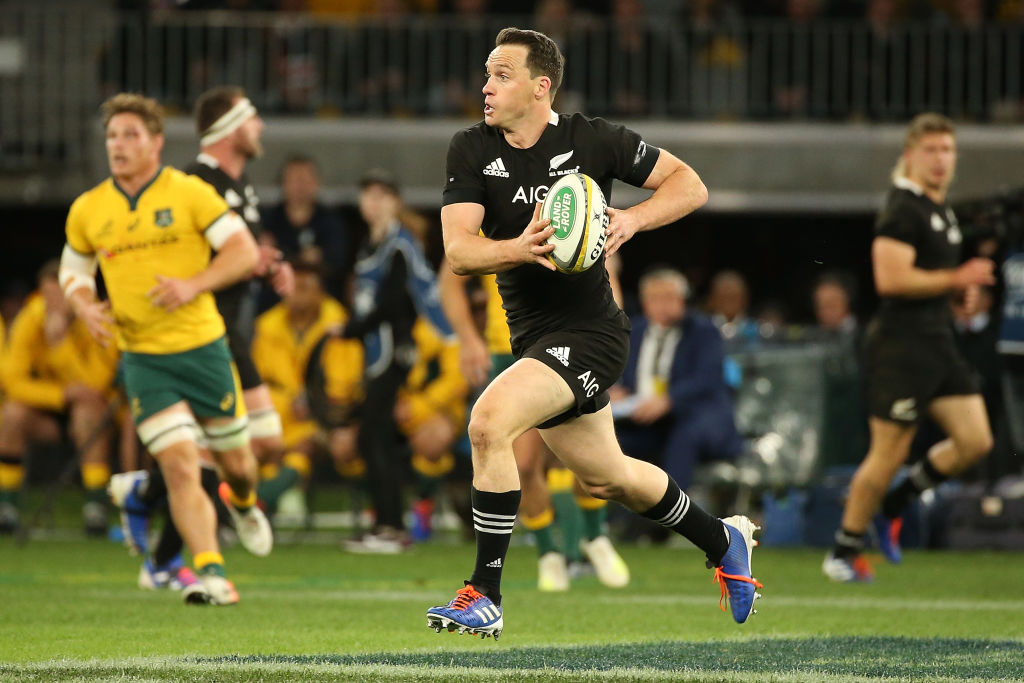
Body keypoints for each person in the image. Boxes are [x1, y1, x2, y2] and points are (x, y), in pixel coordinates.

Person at [426, 27, 762, 640]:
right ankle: (724, 539)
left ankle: (485, 594)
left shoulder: (594, 139)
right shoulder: (470, 148)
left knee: (487, 423)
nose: (487, 86)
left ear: (540, 86)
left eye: (502, 75)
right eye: (487, 74)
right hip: (534, 338)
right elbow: (458, 253)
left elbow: (691, 185)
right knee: (609, 477)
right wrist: (519, 248)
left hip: (592, 332)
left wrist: (631, 218)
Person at [60, 92, 272, 605]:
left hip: (203, 350)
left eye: (131, 135)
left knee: (239, 464)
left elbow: (243, 252)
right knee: (179, 464)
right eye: (112, 136)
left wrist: (193, 285)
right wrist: (84, 305)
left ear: (157, 142)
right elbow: (74, 271)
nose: (119, 145)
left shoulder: (189, 193)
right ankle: (211, 574)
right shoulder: (89, 209)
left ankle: (242, 503)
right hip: (143, 359)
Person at [823, 113, 996, 583]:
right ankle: (843, 550)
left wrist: (958, 296)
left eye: (948, 150)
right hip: (901, 349)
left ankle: (895, 505)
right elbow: (891, 279)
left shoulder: (941, 210)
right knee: (888, 453)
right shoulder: (903, 208)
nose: (941, 159)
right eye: (932, 150)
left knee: (975, 439)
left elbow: (930, 281)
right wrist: (957, 277)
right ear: (910, 155)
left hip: (938, 343)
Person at [440, 266, 631, 591]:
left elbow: (607, 273)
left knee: (583, 460)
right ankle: (548, 552)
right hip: (511, 348)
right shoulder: (487, 216)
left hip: (575, 342)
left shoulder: (575, 213)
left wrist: (608, 346)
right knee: (524, 463)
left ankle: (594, 534)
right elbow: (450, 280)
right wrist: (469, 338)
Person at [331, 169, 455, 553]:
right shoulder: (374, 243)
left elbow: (395, 303)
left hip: (392, 352)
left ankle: (391, 526)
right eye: (368, 194)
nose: (373, 202)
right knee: (375, 436)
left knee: (375, 436)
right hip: (377, 352)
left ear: (395, 202)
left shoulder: (399, 244)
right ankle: (387, 523)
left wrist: (351, 329)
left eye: (382, 195)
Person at [0, 260, 120, 535]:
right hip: (46, 411)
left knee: (87, 408)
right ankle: (6, 505)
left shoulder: (99, 317)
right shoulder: (31, 317)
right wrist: (61, 394)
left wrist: (61, 345)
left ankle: (95, 507)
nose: (51, 302)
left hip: (93, 415)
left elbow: (96, 385)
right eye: (46, 294)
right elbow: (13, 381)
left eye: (59, 295)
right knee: (12, 413)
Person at [611, 268, 742, 494]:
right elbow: (620, 372)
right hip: (645, 417)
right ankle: (619, 520)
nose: (662, 305)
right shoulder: (635, 330)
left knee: (682, 438)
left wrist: (669, 400)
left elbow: (707, 378)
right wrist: (615, 390)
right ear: (644, 302)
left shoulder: (704, 330)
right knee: (613, 440)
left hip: (696, 416)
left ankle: (673, 518)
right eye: (655, 298)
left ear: (682, 300)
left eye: (668, 298)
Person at [261, 155, 349, 302]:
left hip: (321, 304)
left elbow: (338, 263)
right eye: (295, 180)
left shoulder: (331, 221)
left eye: (305, 180)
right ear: (283, 183)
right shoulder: (267, 220)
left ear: (317, 183)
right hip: (275, 305)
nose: (300, 186)